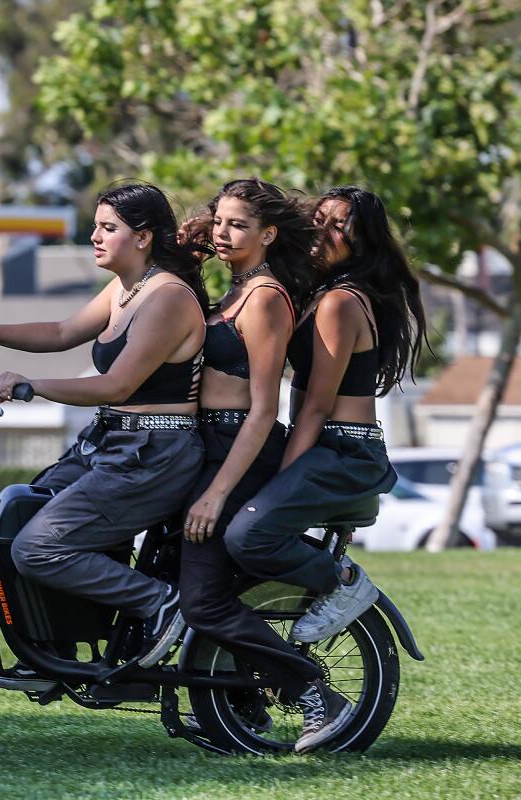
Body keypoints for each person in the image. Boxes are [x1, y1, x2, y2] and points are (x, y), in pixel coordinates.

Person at [0, 182, 210, 690]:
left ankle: (161, 603)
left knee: (38, 548)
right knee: (15, 512)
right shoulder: (125, 289)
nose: (94, 236)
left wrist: (29, 385)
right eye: (96, 226)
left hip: (155, 454)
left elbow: (117, 384)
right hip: (112, 442)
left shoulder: (168, 297)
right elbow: (63, 332)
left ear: (144, 237)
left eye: (108, 228)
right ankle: (51, 652)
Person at [219, 185, 427, 752]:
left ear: (359, 245)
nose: (326, 232)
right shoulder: (318, 294)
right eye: (322, 220)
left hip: (345, 450)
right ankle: (237, 689)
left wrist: (284, 472)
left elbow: (313, 403)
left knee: (248, 533)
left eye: (342, 228)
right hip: (326, 445)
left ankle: (344, 581)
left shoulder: (340, 303)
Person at [174, 178, 330, 738]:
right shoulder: (234, 291)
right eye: (219, 220)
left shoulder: (265, 299)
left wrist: (217, 494)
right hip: (207, 447)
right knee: (183, 580)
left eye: (238, 224)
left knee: (203, 601)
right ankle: (239, 706)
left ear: (268, 234)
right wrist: (191, 240)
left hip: (240, 449)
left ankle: (310, 688)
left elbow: (264, 410)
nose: (223, 232)